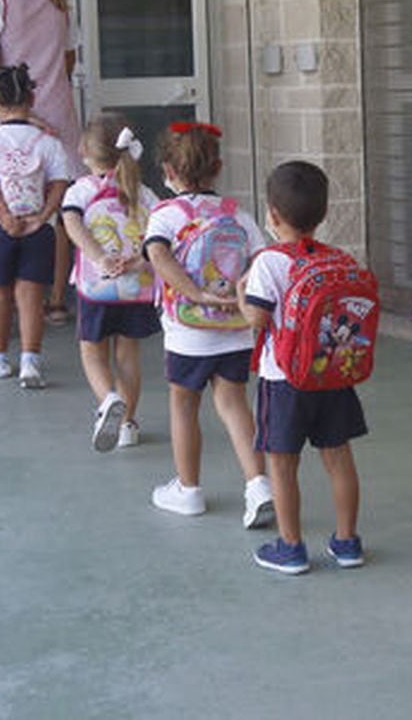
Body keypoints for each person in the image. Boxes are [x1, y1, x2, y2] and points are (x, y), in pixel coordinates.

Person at [141, 122, 273, 527]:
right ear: (217, 168)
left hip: (189, 333)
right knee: (234, 404)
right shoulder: (239, 216)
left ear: (167, 171)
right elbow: (261, 262)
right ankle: (258, 485)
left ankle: (188, 489)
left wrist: (196, 294)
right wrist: (239, 297)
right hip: (235, 328)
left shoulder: (166, 215)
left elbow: (157, 255)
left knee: (184, 405)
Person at [239, 161, 367, 574]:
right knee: (339, 457)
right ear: (324, 213)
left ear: (272, 214)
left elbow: (257, 319)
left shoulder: (269, 262)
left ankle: (291, 547)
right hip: (332, 373)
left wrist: (242, 294)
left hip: (285, 379)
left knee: (281, 463)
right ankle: (347, 542)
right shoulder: (339, 259)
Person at [0, 0, 81, 325]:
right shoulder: (57, 2)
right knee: (58, 209)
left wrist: (15, 107)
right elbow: (68, 62)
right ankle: (55, 299)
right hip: (58, 116)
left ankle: (6, 296)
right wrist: (43, 101)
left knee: (3, 201)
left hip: (7, 118)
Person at [61, 114, 160, 452]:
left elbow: (71, 223)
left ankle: (108, 400)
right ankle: (128, 424)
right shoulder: (143, 193)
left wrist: (99, 258)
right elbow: (160, 238)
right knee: (128, 355)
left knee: (92, 351)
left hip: (97, 287)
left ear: (84, 151)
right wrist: (139, 260)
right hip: (136, 287)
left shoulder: (81, 190)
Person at [0, 65, 71, 388]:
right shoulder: (48, 142)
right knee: (31, 296)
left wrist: (4, 216)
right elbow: (59, 183)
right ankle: (30, 362)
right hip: (38, 229)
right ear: (32, 100)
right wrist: (43, 217)